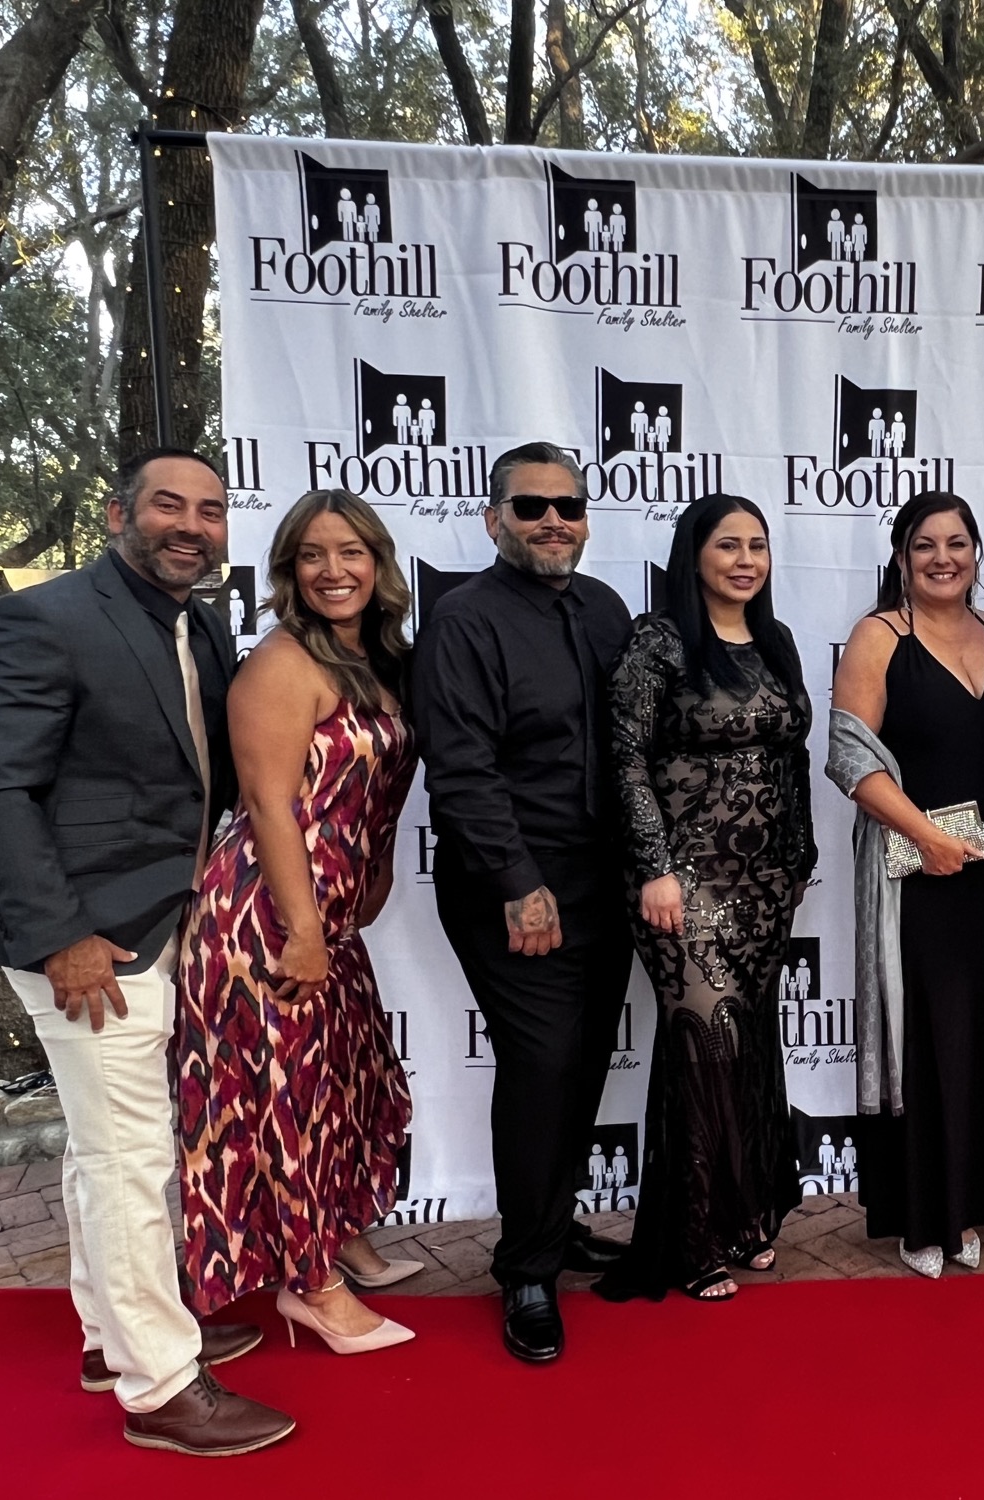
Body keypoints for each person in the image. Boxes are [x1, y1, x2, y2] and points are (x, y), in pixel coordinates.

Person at [0, 448, 292, 1454]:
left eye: (211, 511)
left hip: (166, 917)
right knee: (130, 1156)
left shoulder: (199, 621)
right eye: (170, 505)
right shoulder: (52, 618)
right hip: (86, 941)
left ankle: (109, 1335)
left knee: (105, 1150)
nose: (192, 525)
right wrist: (58, 938)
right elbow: (4, 789)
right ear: (122, 510)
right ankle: (160, 1385)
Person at [176, 490, 422, 1356]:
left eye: (350, 552)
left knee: (342, 1082)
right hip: (267, 917)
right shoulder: (282, 664)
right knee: (290, 1101)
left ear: (378, 562)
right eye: (312, 556)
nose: (333, 571)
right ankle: (311, 1287)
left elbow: (379, 791)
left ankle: (337, 1230)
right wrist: (306, 931)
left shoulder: (379, 658)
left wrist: (376, 873)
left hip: (327, 913)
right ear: (288, 572)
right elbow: (272, 808)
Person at [411, 442, 634, 1364]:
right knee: (542, 1067)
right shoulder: (462, 622)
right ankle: (528, 1270)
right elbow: (459, 769)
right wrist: (518, 885)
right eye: (532, 506)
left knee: (581, 1066)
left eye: (569, 506)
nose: (553, 521)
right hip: (514, 885)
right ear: (493, 516)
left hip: (604, 881)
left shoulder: (607, 609)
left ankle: (555, 1223)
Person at [594, 493, 816, 1303]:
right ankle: (689, 1238)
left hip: (763, 883)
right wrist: (655, 866)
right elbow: (626, 757)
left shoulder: (776, 640)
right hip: (683, 881)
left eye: (758, 545)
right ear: (694, 556)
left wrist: (798, 857)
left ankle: (747, 1211)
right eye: (729, 545)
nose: (746, 560)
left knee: (749, 1039)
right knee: (703, 1041)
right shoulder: (661, 641)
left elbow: (791, 758)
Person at [828, 491, 984, 1278]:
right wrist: (929, 837)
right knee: (930, 1037)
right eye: (925, 545)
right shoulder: (879, 637)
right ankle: (928, 1216)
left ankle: (982, 1198)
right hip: (917, 874)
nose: (943, 557)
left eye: (958, 542)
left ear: (979, 552)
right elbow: (849, 758)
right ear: (901, 556)